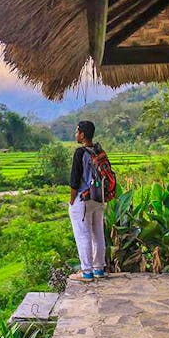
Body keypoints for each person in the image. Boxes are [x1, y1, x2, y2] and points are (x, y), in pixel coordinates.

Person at [68, 120, 107, 282]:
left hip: (83, 199)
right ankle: (99, 269)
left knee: (82, 234)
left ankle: (87, 272)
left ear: (83, 135)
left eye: (77, 131)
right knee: (97, 232)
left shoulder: (80, 152)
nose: (76, 134)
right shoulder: (99, 150)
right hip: (98, 197)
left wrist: (71, 201)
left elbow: (74, 181)